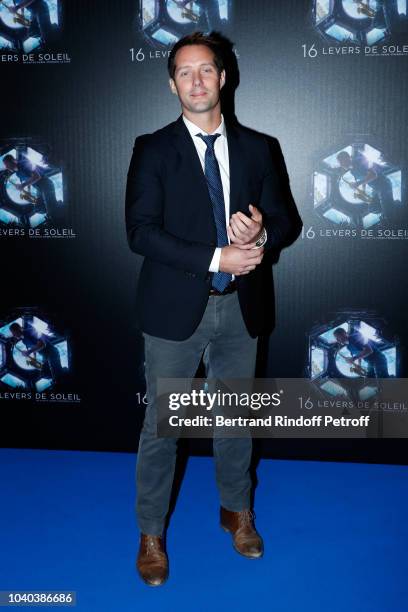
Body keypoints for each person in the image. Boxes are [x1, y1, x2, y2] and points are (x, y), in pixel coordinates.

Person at [125, 31, 302, 586]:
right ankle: (151, 532)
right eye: (185, 72)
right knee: (163, 428)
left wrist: (262, 229)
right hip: (176, 310)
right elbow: (140, 232)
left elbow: (287, 222)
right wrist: (217, 256)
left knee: (235, 421)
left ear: (224, 77)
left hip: (241, 311)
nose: (197, 80)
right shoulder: (152, 149)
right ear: (172, 82)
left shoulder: (260, 147)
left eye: (206, 70)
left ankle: (236, 512)